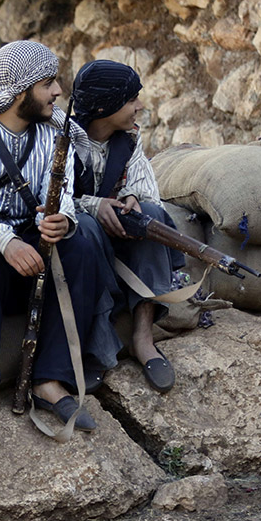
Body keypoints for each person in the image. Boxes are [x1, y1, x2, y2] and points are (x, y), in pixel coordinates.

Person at [0, 40, 121, 460]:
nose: (58, 92)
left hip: (31, 242)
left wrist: (61, 221)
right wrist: (5, 242)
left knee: (80, 247)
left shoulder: (54, 132)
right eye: (48, 83)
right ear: (20, 91)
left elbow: (63, 193)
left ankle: (49, 382)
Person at [70, 60, 185, 392]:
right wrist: (94, 206)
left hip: (121, 241)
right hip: (82, 241)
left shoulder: (129, 140)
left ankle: (142, 337)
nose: (140, 106)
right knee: (85, 233)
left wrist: (132, 196)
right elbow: (52, 199)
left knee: (149, 215)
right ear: (105, 107)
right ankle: (97, 348)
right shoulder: (59, 141)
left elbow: (148, 191)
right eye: (131, 99)